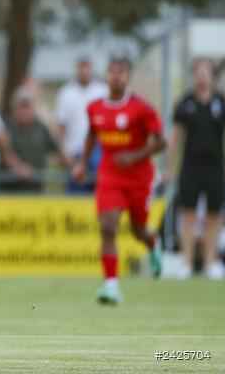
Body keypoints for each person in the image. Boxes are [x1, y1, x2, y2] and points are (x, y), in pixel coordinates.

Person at [72, 57, 165, 305]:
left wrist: (134, 155)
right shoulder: (94, 107)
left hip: (139, 177)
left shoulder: (141, 108)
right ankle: (111, 286)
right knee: (108, 225)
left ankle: (152, 242)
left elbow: (160, 141)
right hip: (110, 175)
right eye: (111, 71)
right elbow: (92, 133)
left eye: (120, 72)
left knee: (137, 230)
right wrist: (82, 163)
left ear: (128, 76)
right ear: (105, 76)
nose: (115, 76)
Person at [164, 59, 225, 280]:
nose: (202, 76)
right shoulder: (185, 103)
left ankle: (211, 261)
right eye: (198, 72)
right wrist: (169, 166)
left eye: (206, 72)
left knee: (214, 213)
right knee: (188, 213)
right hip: (190, 167)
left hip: (215, 167)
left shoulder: (222, 102)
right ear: (194, 76)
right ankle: (187, 262)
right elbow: (175, 136)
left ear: (212, 76)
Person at [55, 57, 108, 192]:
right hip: (75, 152)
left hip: (98, 151)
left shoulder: (102, 91)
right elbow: (61, 126)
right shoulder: (66, 93)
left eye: (87, 68)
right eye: (81, 68)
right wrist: (63, 151)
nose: (84, 72)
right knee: (77, 192)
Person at [4, 86, 69, 192]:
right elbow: (4, 151)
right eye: (21, 107)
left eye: (27, 107)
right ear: (14, 108)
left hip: (36, 187)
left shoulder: (41, 127)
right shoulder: (6, 126)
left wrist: (72, 165)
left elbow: (57, 148)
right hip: (9, 188)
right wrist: (18, 168)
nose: (24, 112)